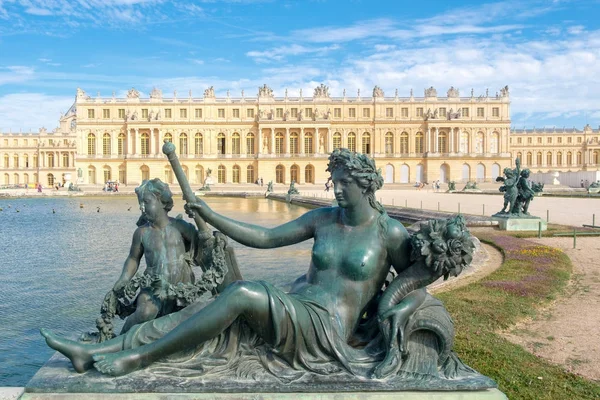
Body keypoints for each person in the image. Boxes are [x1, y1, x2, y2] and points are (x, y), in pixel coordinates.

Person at [41, 149, 413, 377]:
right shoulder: (324, 219)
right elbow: (264, 238)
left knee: (240, 294)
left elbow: (418, 274)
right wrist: (212, 216)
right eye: (335, 181)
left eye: (344, 182)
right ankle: (95, 351)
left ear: (366, 185)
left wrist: (400, 301)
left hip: (326, 328)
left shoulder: (389, 232)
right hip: (299, 306)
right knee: (205, 307)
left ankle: (138, 357)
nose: (336, 188)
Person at [110, 178, 198, 334]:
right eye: (140, 203)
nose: (142, 207)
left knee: (192, 319)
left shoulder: (180, 227)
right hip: (153, 286)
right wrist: (124, 278)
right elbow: (133, 258)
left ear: (162, 202)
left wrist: (200, 217)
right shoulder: (142, 233)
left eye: (146, 201)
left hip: (181, 287)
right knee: (145, 312)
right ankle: (120, 340)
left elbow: (203, 243)